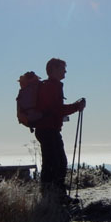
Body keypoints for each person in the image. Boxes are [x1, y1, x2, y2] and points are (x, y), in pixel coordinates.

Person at [34, 58, 86, 194]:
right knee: (58, 163)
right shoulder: (52, 86)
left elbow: (54, 109)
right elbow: (57, 109)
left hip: (45, 129)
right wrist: (76, 107)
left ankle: (49, 194)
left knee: (51, 163)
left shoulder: (48, 86)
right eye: (63, 68)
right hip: (49, 130)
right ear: (54, 70)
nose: (65, 71)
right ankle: (56, 195)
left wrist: (74, 106)